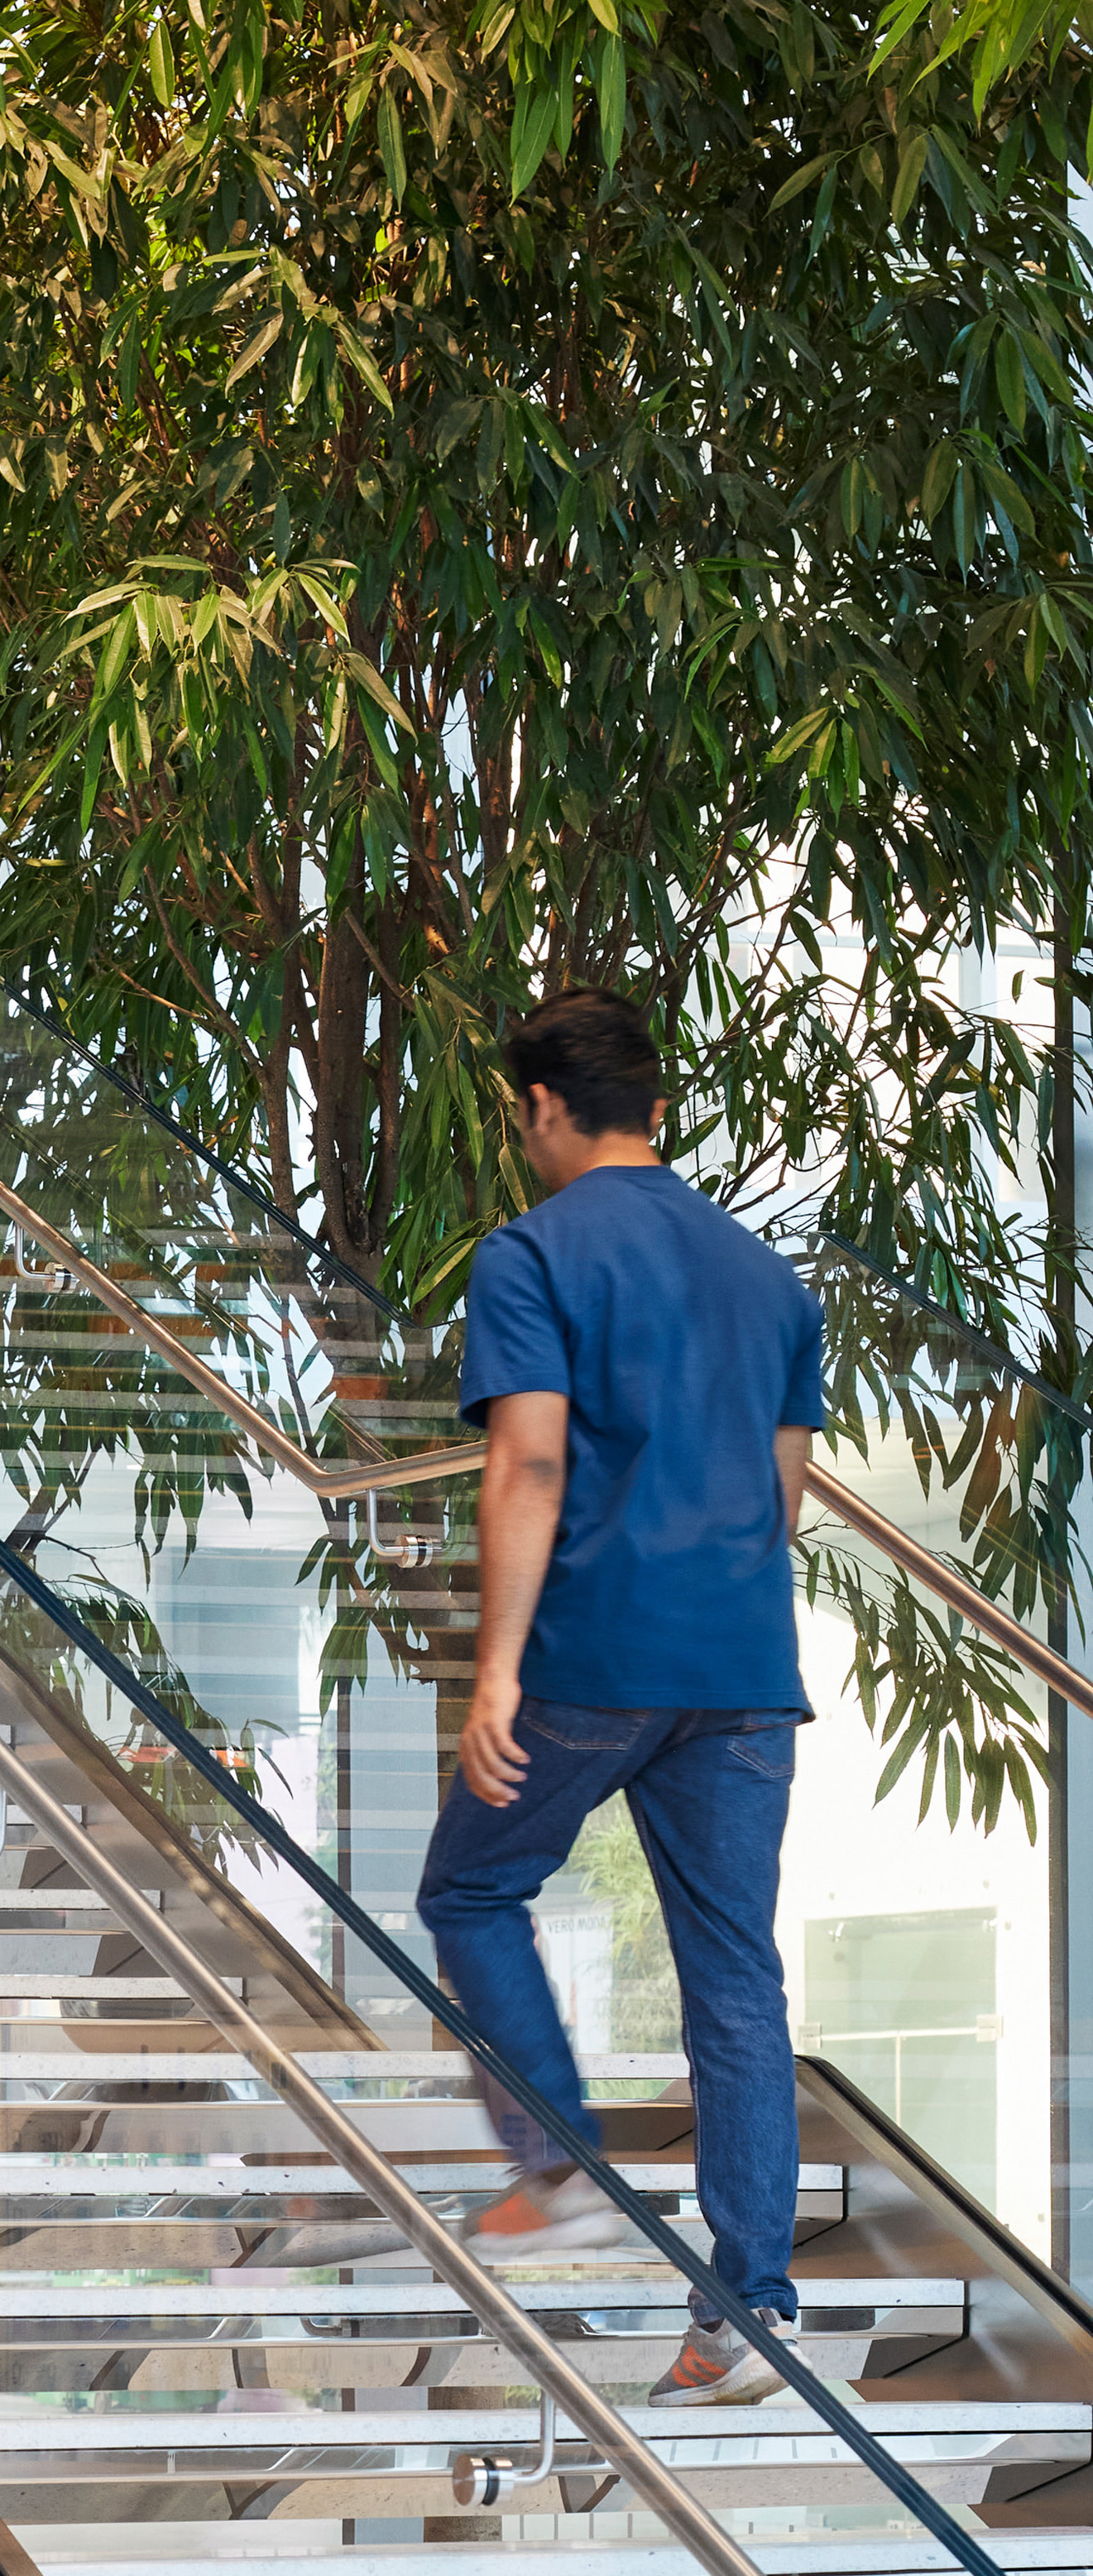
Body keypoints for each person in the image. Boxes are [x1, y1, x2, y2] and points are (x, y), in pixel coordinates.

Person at [297, 990, 823, 2410]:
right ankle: (752, 2307)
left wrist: (499, 1671)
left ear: (539, 1107)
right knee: (735, 1975)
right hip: (741, 1671)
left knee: (471, 1893)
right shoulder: (771, 1281)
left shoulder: (530, 1257)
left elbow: (525, 1468)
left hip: (594, 1651)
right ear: (646, 1102)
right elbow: (780, 1498)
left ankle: (558, 2167)